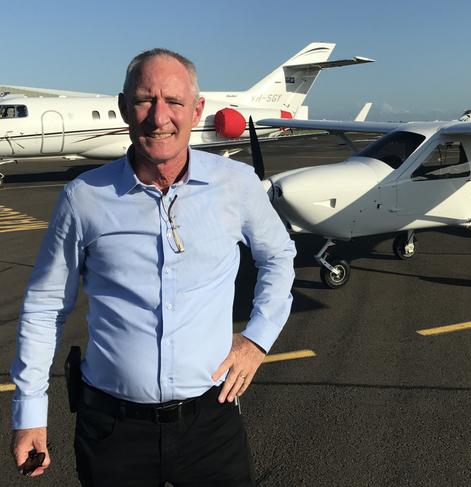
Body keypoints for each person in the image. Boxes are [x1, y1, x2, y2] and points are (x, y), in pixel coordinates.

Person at [10, 48, 296, 486]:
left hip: (211, 424)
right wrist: (30, 413)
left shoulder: (235, 186)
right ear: (124, 106)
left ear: (197, 110)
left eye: (174, 102)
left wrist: (257, 340)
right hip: (112, 432)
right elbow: (46, 305)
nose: (159, 117)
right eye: (145, 100)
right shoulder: (83, 197)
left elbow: (278, 256)